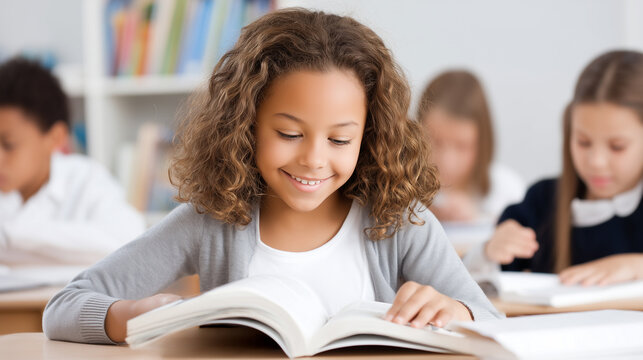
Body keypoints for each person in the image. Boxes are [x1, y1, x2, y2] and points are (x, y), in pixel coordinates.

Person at [43, 8, 501, 344]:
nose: (314, 160)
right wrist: (133, 315)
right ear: (246, 125)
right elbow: (64, 307)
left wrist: (456, 310)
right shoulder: (210, 222)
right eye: (288, 133)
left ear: (369, 136)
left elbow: (492, 323)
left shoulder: (402, 222)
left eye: (340, 140)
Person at [467, 50, 643, 285]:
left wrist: (636, 265)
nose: (596, 161)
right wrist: (489, 251)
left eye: (617, 147)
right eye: (583, 142)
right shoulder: (541, 202)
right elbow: (468, 284)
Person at [0, 58, 145, 266]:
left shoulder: (86, 180)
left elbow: (128, 241)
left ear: (55, 138)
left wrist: (11, 235)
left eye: (9, 144)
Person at [417, 70, 524, 254]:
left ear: (483, 142)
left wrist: (479, 220)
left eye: (462, 146)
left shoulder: (506, 189)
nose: (447, 161)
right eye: (435, 141)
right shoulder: (400, 188)